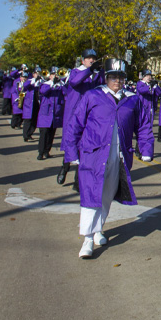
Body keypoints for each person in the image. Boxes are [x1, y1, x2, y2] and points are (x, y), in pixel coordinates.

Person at [64, 58, 153, 258]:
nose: (117, 81)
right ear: (106, 77)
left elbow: (144, 126)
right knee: (90, 194)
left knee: (106, 195)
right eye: (113, 77)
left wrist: (146, 149)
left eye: (120, 77)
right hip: (93, 154)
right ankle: (87, 239)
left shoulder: (133, 99)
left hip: (119, 155)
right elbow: (75, 125)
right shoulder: (92, 95)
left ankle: (98, 229)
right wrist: (71, 153)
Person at [58, 49, 103, 188]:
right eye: (89, 58)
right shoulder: (76, 72)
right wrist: (89, 71)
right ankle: (64, 169)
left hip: (90, 115)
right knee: (71, 144)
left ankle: (78, 181)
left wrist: (100, 72)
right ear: (83, 60)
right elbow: (75, 82)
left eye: (94, 58)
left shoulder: (96, 74)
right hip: (74, 115)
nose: (92, 60)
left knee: (85, 147)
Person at [36, 67, 66, 160]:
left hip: (55, 114)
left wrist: (62, 84)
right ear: (50, 75)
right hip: (45, 114)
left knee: (51, 134)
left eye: (56, 74)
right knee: (44, 134)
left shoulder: (61, 85)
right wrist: (52, 84)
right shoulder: (45, 84)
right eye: (53, 74)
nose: (55, 76)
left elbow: (66, 93)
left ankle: (47, 151)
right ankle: (40, 152)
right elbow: (43, 92)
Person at [135, 69, 159, 155]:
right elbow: (142, 91)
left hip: (150, 111)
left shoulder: (151, 85)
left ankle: (145, 150)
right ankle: (139, 149)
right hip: (142, 110)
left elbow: (160, 93)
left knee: (148, 131)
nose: (149, 77)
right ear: (144, 77)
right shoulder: (140, 84)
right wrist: (149, 87)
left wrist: (156, 85)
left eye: (150, 76)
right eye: (147, 76)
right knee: (141, 130)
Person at [21, 67, 43, 142]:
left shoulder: (42, 81)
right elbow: (25, 86)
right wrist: (34, 80)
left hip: (37, 103)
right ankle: (26, 135)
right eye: (36, 73)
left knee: (35, 120)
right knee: (28, 120)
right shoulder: (30, 80)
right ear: (33, 74)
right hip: (29, 104)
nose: (37, 75)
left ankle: (30, 133)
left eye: (39, 73)